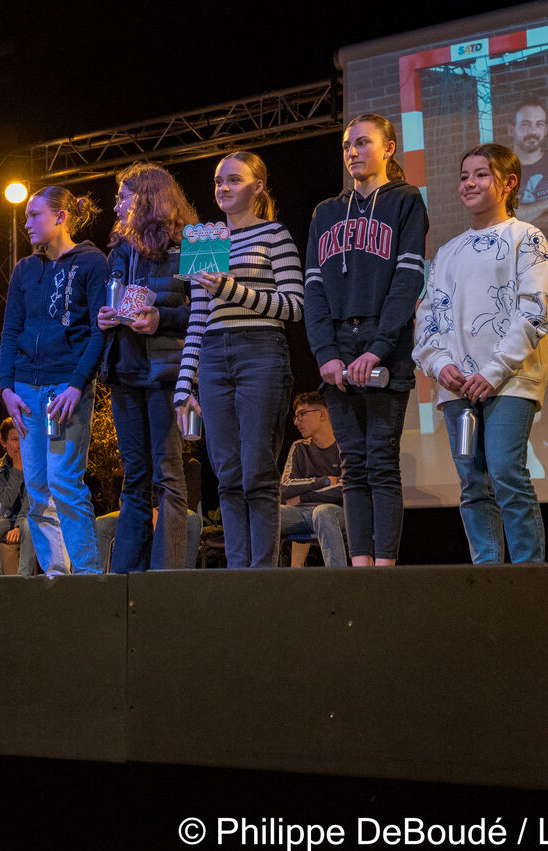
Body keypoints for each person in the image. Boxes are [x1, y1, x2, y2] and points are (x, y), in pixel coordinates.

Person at [414, 143, 548, 564]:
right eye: (463, 176)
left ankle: (529, 575)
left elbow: (537, 308)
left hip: (509, 381)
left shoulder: (526, 238)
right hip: (459, 389)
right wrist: (442, 366)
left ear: (509, 183)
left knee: (507, 474)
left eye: (480, 174)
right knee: (473, 483)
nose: (469, 184)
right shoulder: (447, 251)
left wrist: (492, 371)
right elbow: (427, 321)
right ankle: (487, 573)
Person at [304, 114, 429, 566]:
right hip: (338, 346)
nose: (352, 151)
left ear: (388, 149)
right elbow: (313, 287)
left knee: (381, 459)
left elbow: (408, 278)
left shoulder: (406, 201)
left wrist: (378, 346)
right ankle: (360, 568)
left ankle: (385, 569)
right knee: (352, 466)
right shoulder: (326, 212)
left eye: (362, 143)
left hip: (384, 345)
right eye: (346, 145)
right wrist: (326, 355)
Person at [176, 151, 304, 568]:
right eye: (218, 181)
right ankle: (237, 571)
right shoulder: (206, 241)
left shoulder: (274, 235)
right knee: (227, 472)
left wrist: (230, 289)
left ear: (258, 187)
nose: (223, 188)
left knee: (257, 472)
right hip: (213, 355)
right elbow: (197, 317)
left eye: (234, 180)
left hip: (261, 352)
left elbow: (293, 306)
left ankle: (262, 571)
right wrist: (184, 386)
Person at [0, 185, 107, 575]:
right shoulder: (26, 268)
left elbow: (100, 331)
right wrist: (6, 387)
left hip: (63, 390)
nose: (26, 222)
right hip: (26, 390)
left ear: (61, 217)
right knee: (38, 488)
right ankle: (57, 573)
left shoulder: (92, 263)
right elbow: (10, 329)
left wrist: (77, 385)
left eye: (34, 215)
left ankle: (90, 574)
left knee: (63, 480)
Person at [96, 162, 196, 572]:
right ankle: (125, 579)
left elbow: (208, 310)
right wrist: (106, 318)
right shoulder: (120, 249)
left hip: (167, 374)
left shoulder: (192, 241)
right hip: (125, 370)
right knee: (133, 480)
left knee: (169, 477)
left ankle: (164, 577)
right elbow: (116, 300)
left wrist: (163, 318)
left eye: (123, 195)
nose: (116, 204)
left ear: (147, 196)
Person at [279, 392, 348, 567]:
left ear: (322, 414)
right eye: (295, 416)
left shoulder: (345, 446)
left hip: (338, 513)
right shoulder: (299, 447)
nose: (296, 422)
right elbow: (285, 487)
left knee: (322, 512)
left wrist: (303, 497)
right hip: (301, 515)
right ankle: (262, 583)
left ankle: (339, 582)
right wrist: (323, 481)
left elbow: (346, 487)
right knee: (266, 514)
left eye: (301, 414)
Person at [0, 417, 35, 576]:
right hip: (9, 517)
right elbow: (6, 502)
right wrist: (17, 471)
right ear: (4, 443)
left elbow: (31, 500)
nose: (19, 445)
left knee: (27, 527)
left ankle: (22, 577)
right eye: (14, 439)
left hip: (32, 516)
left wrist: (19, 525)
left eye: (23, 438)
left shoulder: (35, 464)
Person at [508, 98, 548, 235]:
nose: (533, 131)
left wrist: (517, 219)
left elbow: (508, 219)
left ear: (545, 130)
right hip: (517, 255)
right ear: (511, 130)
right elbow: (499, 219)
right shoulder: (500, 171)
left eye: (539, 124)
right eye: (525, 124)